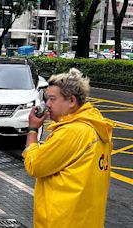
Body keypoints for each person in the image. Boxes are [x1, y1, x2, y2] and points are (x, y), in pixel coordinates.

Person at [23, 68, 114, 228]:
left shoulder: (70, 132)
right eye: (46, 99)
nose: (47, 105)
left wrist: (32, 130)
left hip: (62, 221)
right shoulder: (97, 126)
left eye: (52, 99)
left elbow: (35, 166)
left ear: (71, 101)